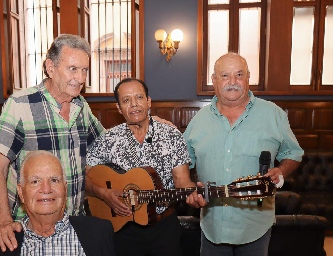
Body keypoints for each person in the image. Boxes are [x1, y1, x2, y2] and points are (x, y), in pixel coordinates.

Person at [0, 34, 105, 252]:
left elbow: (107, 144)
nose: (80, 78)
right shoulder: (19, 105)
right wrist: (4, 223)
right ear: (50, 67)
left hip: (73, 224)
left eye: (84, 70)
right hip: (30, 227)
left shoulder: (81, 106)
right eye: (72, 69)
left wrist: (146, 121)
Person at [183, 52, 304, 256]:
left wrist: (281, 172)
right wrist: (189, 187)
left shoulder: (273, 114)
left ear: (248, 78)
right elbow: (183, 161)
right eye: (225, 75)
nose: (233, 82)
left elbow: (294, 152)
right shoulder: (199, 119)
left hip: (255, 225)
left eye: (239, 75)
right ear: (214, 80)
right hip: (212, 225)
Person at [85, 78, 205, 256]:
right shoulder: (108, 139)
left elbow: (182, 180)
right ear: (119, 108)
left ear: (148, 101)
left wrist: (195, 193)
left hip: (163, 228)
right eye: (126, 100)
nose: (134, 104)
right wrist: (103, 193)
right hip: (122, 228)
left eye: (139, 97)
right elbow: (85, 174)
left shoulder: (171, 135)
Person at [0, 150, 116, 256]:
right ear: (21, 192)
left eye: (54, 180)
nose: (46, 189)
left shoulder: (101, 233)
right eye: (35, 181)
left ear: (65, 188)